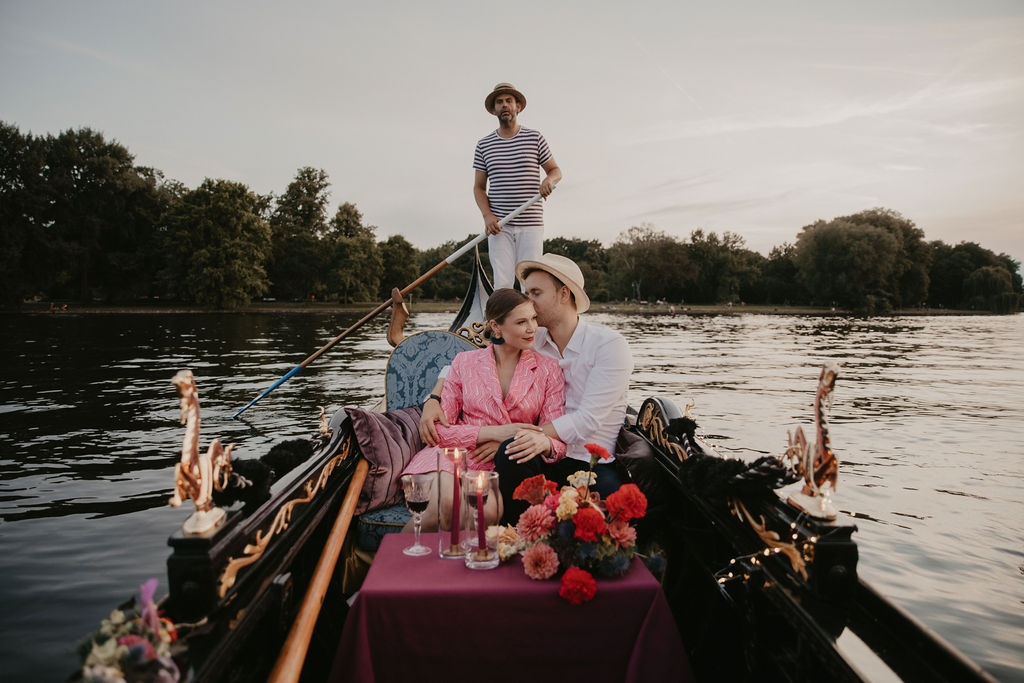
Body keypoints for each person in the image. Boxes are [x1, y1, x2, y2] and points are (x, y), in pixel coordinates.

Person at [420, 254, 633, 524]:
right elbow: (468, 364)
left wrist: (508, 436)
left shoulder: (609, 346)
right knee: (512, 454)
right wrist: (434, 399)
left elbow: (587, 421)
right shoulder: (534, 337)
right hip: (538, 452)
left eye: (535, 293)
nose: (528, 302)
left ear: (563, 294)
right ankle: (514, 536)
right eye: (526, 293)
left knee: (612, 508)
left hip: (589, 461)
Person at [401, 288, 567, 531]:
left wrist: (512, 441)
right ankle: (393, 565)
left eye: (533, 319)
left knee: (486, 512)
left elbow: (558, 441)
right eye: (522, 322)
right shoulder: (464, 362)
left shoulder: (549, 369)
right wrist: (493, 433)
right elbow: (439, 431)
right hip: (454, 456)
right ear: (496, 327)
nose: (533, 328)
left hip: (498, 466)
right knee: (445, 504)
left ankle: (460, 566)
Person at [475, 82, 562, 289]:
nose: (504, 105)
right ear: (494, 109)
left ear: (518, 107)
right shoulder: (484, 144)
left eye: (508, 101)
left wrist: (548, 180)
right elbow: (479, 187)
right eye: (499, 102)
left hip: (531, 222)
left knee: (530, 282)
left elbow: (555, 171)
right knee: (503, 283)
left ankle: (530, 321)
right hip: (499, 226)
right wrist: (487, 216)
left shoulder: (534, 138)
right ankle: (503, 321)